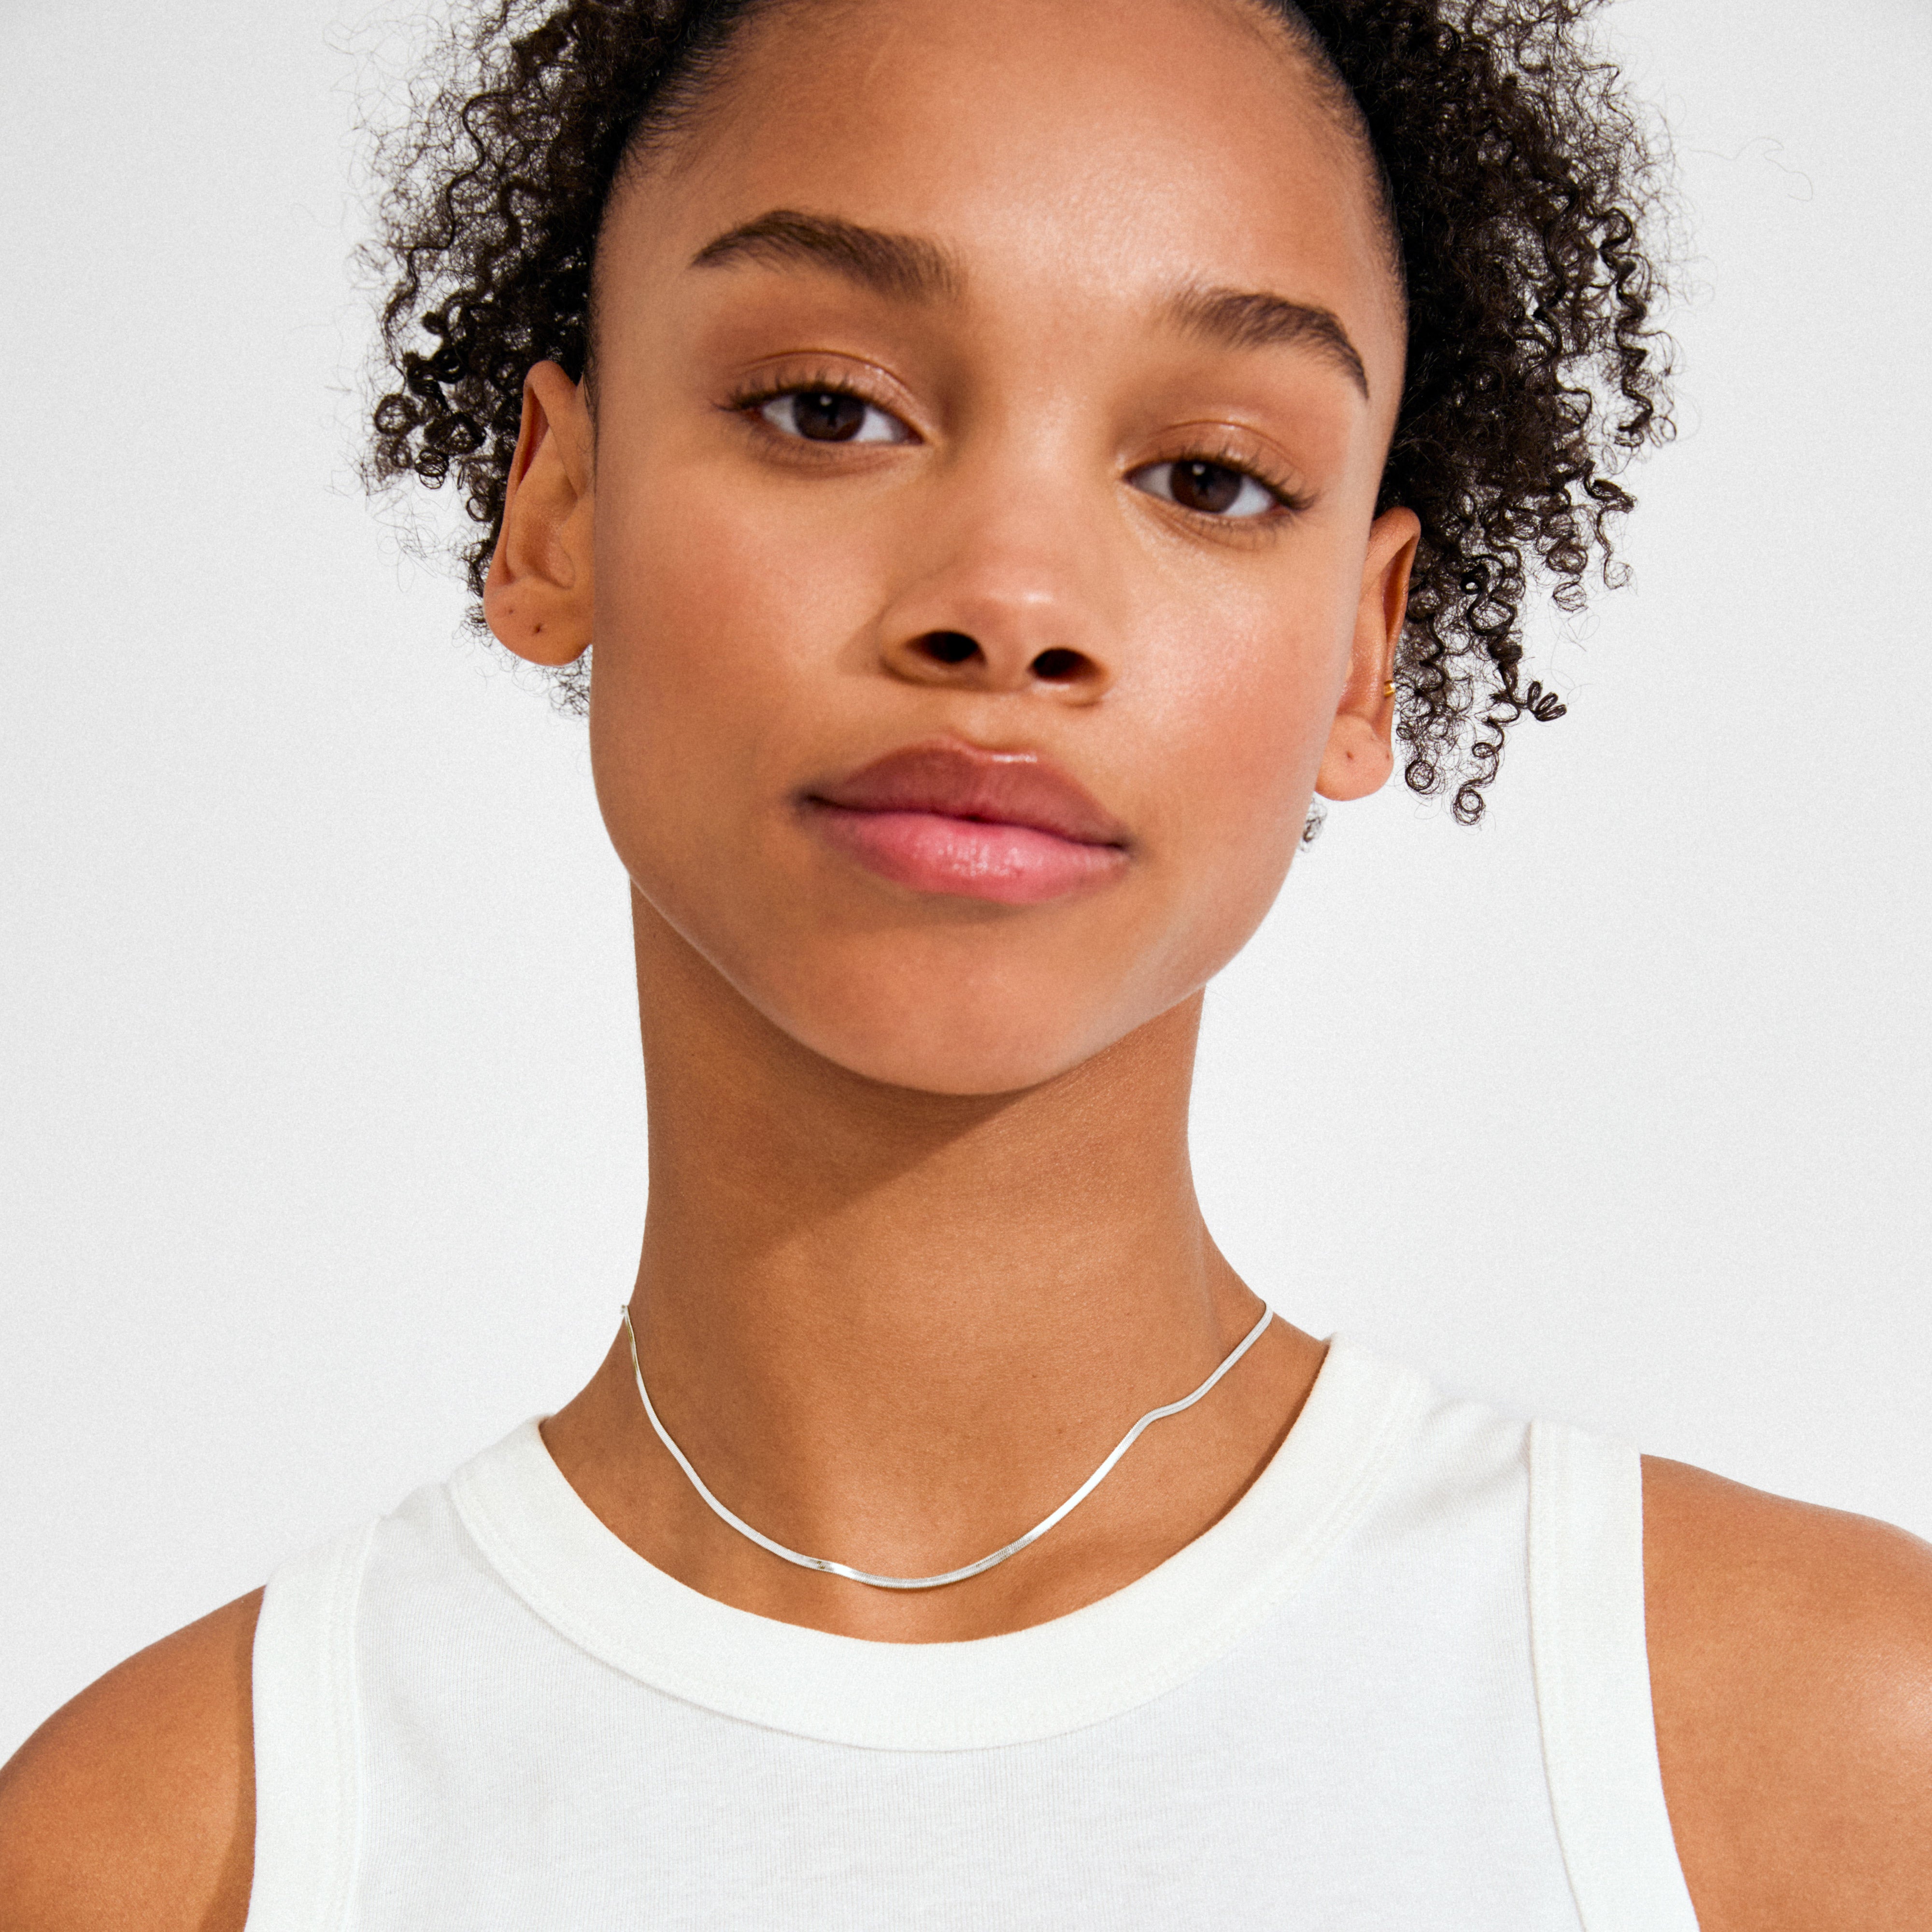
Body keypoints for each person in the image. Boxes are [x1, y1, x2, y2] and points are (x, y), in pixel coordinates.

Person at [3, 0, 1929, 1925]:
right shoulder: (169, 1852)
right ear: (558, 511)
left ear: (1363, 652)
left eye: (1208, 477)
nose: (1010, 603)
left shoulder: (1807, 1754)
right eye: (829, 409)